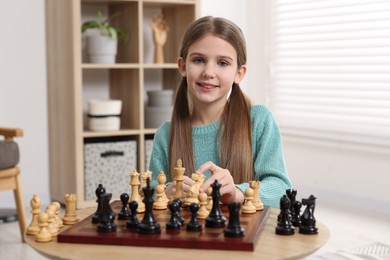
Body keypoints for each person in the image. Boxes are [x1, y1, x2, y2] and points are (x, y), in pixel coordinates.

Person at [149, 16, 292, 208]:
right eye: (199, 60)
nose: (208, 72)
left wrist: (238, 192)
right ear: (183, 67)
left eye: (223, 63)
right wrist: (166, 192)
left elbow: (280, 188)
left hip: (243, 234)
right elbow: (148, 192)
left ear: (239, 73)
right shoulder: (166, 134)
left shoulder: (258, 120)